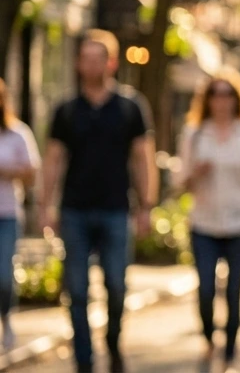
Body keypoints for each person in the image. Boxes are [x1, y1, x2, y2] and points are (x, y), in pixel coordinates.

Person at [40, 30, 156, 373]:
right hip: (74, 210)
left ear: (111, 63)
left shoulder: (130, 107)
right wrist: (45, 205)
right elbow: (53, 160)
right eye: (86, 59)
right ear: (78, 64)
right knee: (76, 290)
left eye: (98, 59)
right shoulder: (66, 111)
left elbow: (143, 158)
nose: (92, 65)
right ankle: (84, 361)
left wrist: (147, 206)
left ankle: (113, 343)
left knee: (116, 286)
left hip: (116, 210)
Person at [175, 73, 240, 371]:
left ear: (237, 99)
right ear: (207, 100)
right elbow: (180, 182)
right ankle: (209, 339)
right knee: (206, 289)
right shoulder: (195, 135)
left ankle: (230, 353)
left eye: (227, 94)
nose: (221, 100)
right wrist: (195, 174)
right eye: (216, 94)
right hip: (204, 224)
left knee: (234, 290)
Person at [0, 78, 38, 350]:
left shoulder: (17, 133)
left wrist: (6, 171)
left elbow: (31, 174)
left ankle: (6, 319)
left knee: (3, 275)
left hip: (7, 214)